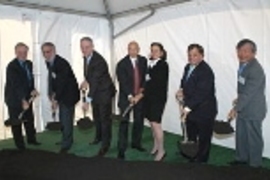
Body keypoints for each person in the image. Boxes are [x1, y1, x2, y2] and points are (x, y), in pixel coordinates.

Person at [228, 39, 266, 167]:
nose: (242, 54)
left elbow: (249, 93)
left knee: (254, 138)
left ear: (254, 53)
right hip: (244, 107)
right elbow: (244, 88)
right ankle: (241, 159)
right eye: (239, 51)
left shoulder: (255, 69)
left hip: (254, 109)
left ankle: (255, 165)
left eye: (245, 51)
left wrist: (236, 109)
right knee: (241, 135)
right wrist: (238, 99)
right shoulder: (243, 64)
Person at [176, 44, 217, 163]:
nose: (191, 58)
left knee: (204, 139)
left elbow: (202, 93)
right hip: (191, 110)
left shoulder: (206, 71)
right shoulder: (187, 67)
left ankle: (201, 162)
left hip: (204, 111)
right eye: (189, 55)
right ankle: (192, 157)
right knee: (191, 136)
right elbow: (184, 82)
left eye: (195, 55)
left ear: (202, 56)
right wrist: (181, 90)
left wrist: (187, 108)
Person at [80, 37, 116, 156]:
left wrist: (87, 101)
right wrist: (86, 81)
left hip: (104, 92)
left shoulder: (99, 61)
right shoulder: (86, 58)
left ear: (92, 47)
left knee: (105, 120)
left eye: (87, 47)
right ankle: (98, 138)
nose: (84, 50)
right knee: (97, 117)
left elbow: (95, 81)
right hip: (96, 92)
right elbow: (91, 75)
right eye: (82, 47)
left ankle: (105, 146)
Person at [41, 42, 80, 153]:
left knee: (66, 119)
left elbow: (61, 83)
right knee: (63, 119)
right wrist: (51, 94)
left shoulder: (62, 63)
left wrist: (56, 99)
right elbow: (53, 80)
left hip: (69, 95)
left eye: (48, 52)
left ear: (54, 51)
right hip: (61, 93)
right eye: (44, 52)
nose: (46, 54)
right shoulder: (49, 62)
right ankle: (65, 139)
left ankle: (67, 144)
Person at [5, 42, 40, 150]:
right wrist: (23, 100)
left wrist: (33, 90)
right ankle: (20, 146)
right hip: (14, 98)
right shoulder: (12, 67)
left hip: (27, 97)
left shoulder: (29, 63)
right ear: (16, 52)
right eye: (20, 52)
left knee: (29, 119)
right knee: (16, 122)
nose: (23, 54)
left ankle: (32, 140)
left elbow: (29, 79)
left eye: (25, 52)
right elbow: (16, 85)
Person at [137, 42, 169, 161]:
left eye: (156, 51)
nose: (153, 53)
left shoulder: (163, 65)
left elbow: (156, 84)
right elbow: (147, 81)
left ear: (161, 53)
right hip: (149, 98)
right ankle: (156, 145)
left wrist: (141, 93)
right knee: (151, 123)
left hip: (157, 99)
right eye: (152, 50)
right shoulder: (150, 64)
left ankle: (162, 150)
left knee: (156, 124)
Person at [116, 41, 147, 160]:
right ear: (127, 50)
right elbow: (123, 82)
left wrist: (141, 93)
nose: (132, 51)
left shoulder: (143, 61)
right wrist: (130, 96)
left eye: (134, 49)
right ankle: (121, 149)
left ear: (138, 49)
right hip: (126, 98)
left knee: (139, 121)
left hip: (140, 97)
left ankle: (136, 143)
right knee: (124, 123)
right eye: (130, 49)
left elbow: (145, 78)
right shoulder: (121, 64)